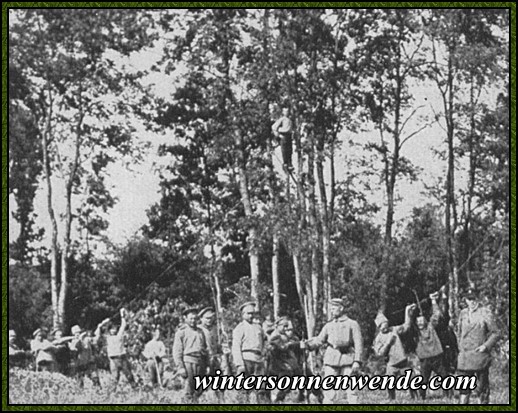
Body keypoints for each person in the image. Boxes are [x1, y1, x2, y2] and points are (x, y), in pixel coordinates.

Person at [306, 298, 364, 404]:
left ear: (341, 308)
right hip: (331, 359)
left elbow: (359, 344)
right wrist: (307, 345)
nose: (331, 311)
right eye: (330, 309)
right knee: (329, 391)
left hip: (348, 359)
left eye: (333, 308)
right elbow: (319, 340)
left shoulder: (352, 324)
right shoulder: (329, 325)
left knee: (351, 389)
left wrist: (357, 361)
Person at [456, 288, 499, 404]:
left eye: (474, 299)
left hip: (480, 357)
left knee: (482, 390)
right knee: (463, 390)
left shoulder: (485, 312)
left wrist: (486, 346)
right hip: (465, 358)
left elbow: (496, 333)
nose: (472, 302)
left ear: (478, 299)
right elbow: (459, 332)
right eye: (469, 299)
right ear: (465, 300)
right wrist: (460, 347)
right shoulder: (463, 313)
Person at [232, 301, 270, 403]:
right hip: (246, 360)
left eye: (252, 313)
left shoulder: (258, 327)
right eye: (248, 313)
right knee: (244, 388)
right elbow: (236, 347)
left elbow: (266, 340)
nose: (251, 315)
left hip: (258, 360)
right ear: (243, 314)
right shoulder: (239, 328)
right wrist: (239, 364)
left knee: (261, 387)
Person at [414, 293, 449, 400]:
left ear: (425, 321)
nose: (420, 323)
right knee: (424, 380)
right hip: (424, 360)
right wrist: (409, 310)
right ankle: (422, 398)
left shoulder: (431, 327)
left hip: (436, 357)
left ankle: (448, 395)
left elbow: (437, 314)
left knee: (444, 376)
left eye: (421, 321)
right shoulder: (414, 332)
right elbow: (407, 323)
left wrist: (433, 301)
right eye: (418, 322)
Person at [173, 307, 209, 402]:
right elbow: (177, 351)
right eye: (190, 318)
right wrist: (180, 367)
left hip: (200, 362)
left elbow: (205, 350)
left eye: (195, 318)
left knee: (199, 388)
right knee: (188, 388)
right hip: (188, 362)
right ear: (185, 318)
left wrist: (207, 365)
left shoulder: (201, 332)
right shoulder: (181, 332)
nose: (193, 321)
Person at [103, 308, 137, 390]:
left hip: (122, 358)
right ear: (109, 330)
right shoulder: (107, 337)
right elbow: (100, 330)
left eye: (114, 328)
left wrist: (122, 315)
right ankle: (112, 393)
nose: (113, 330)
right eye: (111, 329)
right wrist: (105, 322)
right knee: (115, 377)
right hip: (113, 359)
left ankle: (136, 389)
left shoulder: (119, 335)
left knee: (129, 375)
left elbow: (123, 325)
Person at [69, 323, 104, 387]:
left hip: (89, 362)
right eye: (76, 333)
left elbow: (96, 339)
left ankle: (99, 392)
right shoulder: (74, 342)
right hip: (79, 364)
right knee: (79, 382)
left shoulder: (86, 339)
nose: (77, 334)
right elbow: (74, 349)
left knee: (95, 379)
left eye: (78, 332)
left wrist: (98, 328)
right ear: (73, 334)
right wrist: (79, 339)